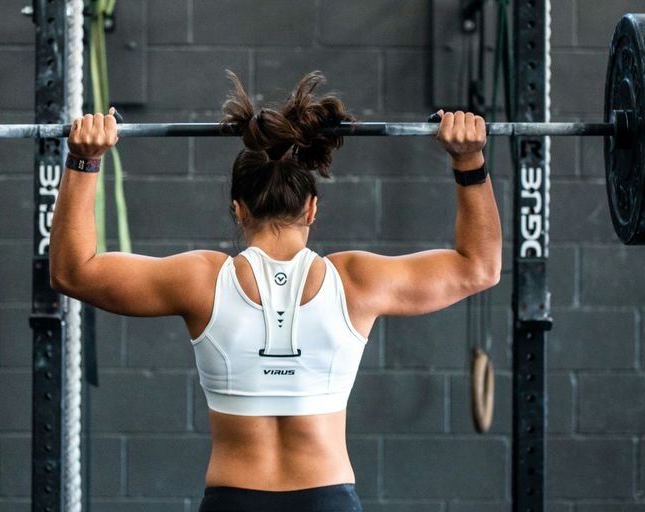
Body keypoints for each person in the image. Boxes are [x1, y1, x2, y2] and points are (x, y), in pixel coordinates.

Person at [49, 71, 502, 512]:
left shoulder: (201, 280)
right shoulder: (356, 282)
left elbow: (73, 272)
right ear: (311, 208)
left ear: (237, 208)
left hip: (234, 498)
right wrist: (469, 162)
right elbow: (479, 267)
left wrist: (84, 161)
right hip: (328, 498)